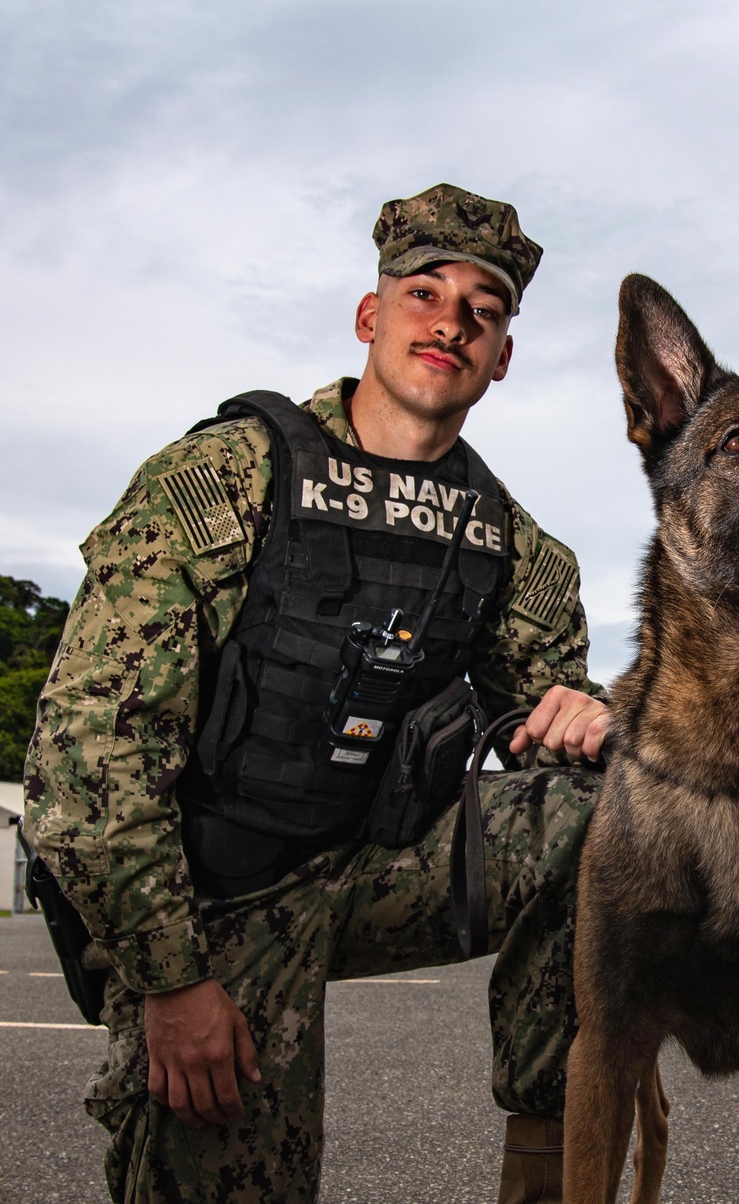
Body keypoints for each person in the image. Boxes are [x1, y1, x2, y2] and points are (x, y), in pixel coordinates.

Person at [23, 182, 608, 1204]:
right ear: (369, 316)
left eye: (485, 307)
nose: (451, 320)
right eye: (424, 290)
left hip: (378, 863)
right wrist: (170, 981)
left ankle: (552, 1151)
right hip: (214, 902)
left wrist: (586, 715)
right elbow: (87, 756)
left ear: (503, 353)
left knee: (618, 806)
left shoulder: (507, 540)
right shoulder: (227, 476)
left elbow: (553, 704)